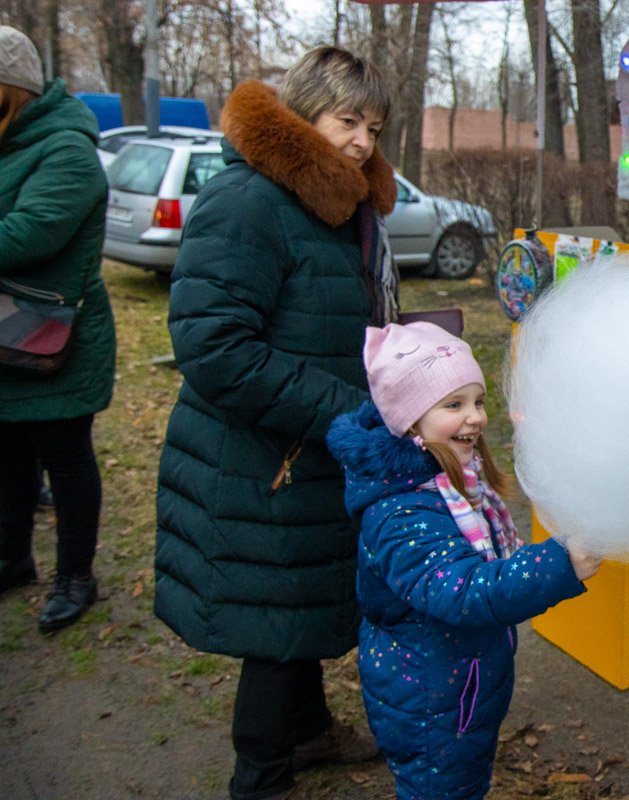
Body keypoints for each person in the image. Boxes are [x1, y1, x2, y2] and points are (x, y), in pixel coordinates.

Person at [153, 46, 401, 800]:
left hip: (310, 451)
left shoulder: (337, 205)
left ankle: (310, 733)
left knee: (301, 604)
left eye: (374, 125)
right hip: (261, 457)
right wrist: (345, 412)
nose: (362, 141)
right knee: (273, 626)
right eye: (347, 120)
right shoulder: (250, 201)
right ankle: (260, 778)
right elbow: (213, 346)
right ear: (303, 115)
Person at [326, 321, 601, 800]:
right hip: (430, 700)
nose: (475, 417)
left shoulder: (447, 473)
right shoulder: (400, 511)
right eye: (454, 405)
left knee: (462, 783)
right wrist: (558, 565)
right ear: (410, 420)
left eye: (477, 401)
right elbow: (463, 590)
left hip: (457, 684)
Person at [0, 25, 115, 633]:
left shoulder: (65, 150)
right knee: (9, 452)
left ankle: (77, 576)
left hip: (56, 335)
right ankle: (13, 558)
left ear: (10, 92)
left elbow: (29, 234)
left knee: (65, 458)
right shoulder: (11, 143)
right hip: (6, 329)